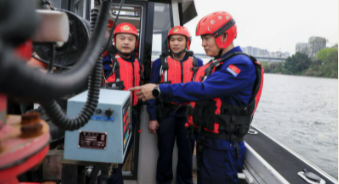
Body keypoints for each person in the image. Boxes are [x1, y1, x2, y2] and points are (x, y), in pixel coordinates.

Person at [130, 11, 264, 183]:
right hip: (208, 141)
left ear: (225, 36)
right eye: (202, 39)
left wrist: (158, 89)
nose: (203, 44)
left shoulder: (240, 65)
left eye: (207, 38)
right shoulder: (218, 64)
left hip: (222, 145)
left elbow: (203, 89)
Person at [147, 26, 203, 184]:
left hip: (188, 116)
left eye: (180, 40)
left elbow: (203, 92)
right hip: (166, 114)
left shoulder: (197, 63)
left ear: (187, 43)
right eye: (172, 40)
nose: (176, 43)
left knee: (186, 155)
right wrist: (152, 117)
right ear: (168, 43)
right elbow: (151, 91)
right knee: (165, 154)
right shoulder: (159, 63)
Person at [103, 23, 143, 184]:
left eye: (130, 39)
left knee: (123, 154)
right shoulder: (107, 61)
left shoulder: (138, 63)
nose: (126, 42)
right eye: (122, 38)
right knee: (112, 160)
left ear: (136, 42)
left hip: (132, 115)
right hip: (111, 118)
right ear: (114, 41)